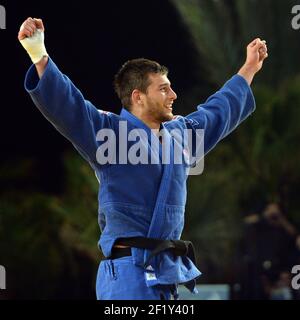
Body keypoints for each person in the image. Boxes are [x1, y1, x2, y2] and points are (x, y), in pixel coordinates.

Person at [18, 17, 268, 300]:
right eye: (163, 89)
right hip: (127, 275)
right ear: (137, 97)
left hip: (167, 273)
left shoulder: (181, 134)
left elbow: (218, 111)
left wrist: (248, 68)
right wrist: (39, 54)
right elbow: (70, 105)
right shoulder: (109, 133)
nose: (173, 95)